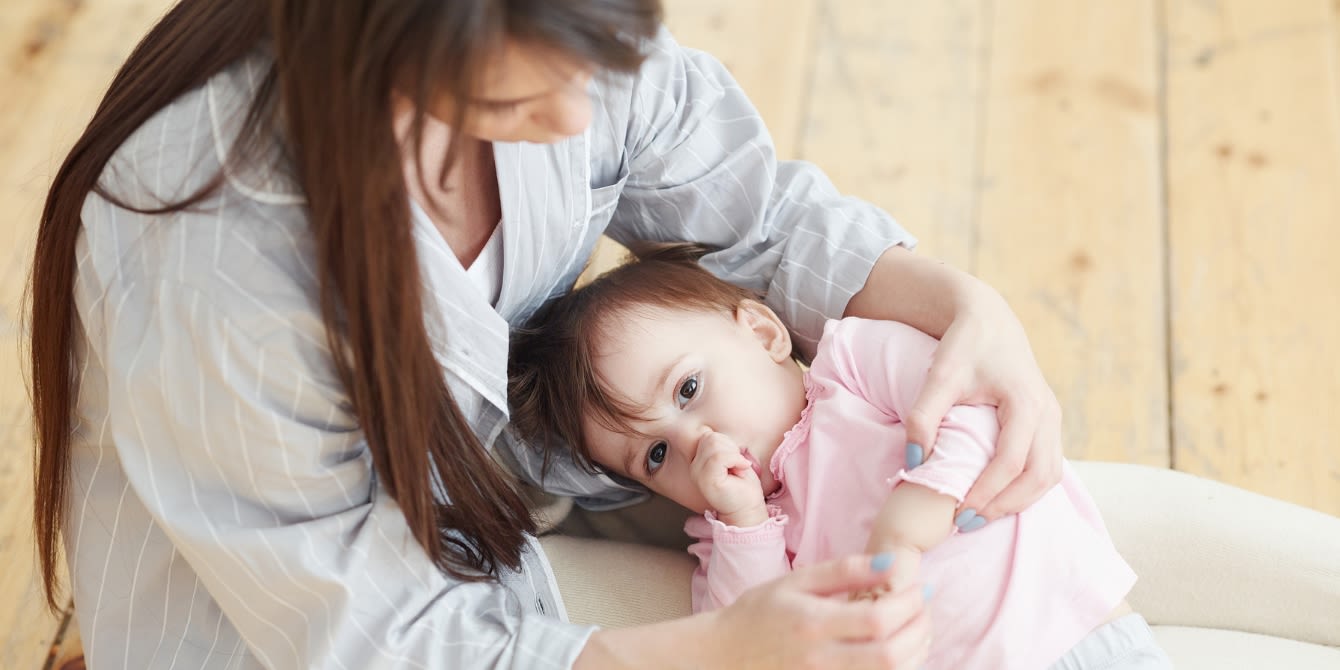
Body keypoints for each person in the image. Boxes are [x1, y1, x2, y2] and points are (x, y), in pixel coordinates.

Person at [28, 1, 1063, 667]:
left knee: (1032, 535)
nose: (576, 120)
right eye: (520, 98)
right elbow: (368, 635)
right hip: (313, 627)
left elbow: (758, 214)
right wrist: (714, 652)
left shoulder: (564, 39)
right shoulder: (217, 263)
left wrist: (965, 306)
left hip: (515, 481)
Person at [508, 243, 1173, 670]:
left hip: (1072, 632)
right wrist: (743, 521)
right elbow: (753, 634)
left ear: (764, 334)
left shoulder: (852, 365)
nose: (695, 443)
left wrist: (907, 525)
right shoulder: (725, 539)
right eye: (655, 456)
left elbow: (975, 413)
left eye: (688, 389)